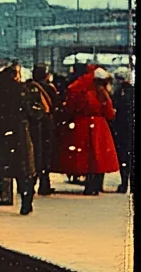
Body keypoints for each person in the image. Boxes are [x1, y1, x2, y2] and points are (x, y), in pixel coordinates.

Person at [55, 66, 119, 195]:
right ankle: (95, 184)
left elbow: (70, 108)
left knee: (86, 156)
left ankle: (89, 183)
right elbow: (109, 112)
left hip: (81, 125)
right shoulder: (101, 93)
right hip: (100, 126)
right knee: (98, 156)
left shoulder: (78, 89)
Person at [0, 64, 37, 214]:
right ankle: (26, 200)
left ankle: (0, 195)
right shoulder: (21, 89)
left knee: (2, 166)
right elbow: (30, 110)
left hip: (1, 131)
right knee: (24, 168)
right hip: (19, 131)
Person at [24, 63, 59, 196]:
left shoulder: (28, 87)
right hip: (46, 123)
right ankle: (44, 183)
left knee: (34, 154)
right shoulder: (49, 88)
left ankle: (31, 184)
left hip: (32, 123)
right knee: (45, 154)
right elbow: (56, 103)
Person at [111, 69, 133, 194]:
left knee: (123, 157)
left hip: (121, 129)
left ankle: (124, 183)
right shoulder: (128, 92)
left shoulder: (119, 93)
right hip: (128, 128)